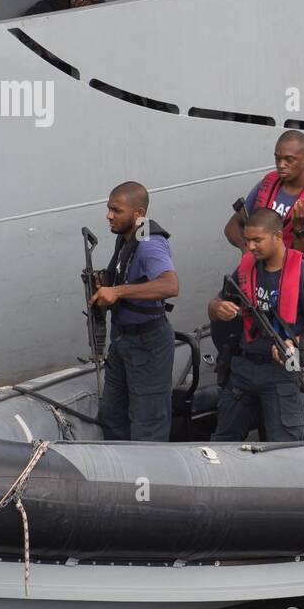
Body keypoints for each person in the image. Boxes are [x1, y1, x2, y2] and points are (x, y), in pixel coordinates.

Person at [210, 208, 304, 443]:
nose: (251, 247)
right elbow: (218, 300)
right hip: (244, 368)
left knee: (285, 446)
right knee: (223, 441)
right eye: (247, 241)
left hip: (282, 371)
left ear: (277, 236)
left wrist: (292, 343)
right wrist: (217, 308)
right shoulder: (246, 269)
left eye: (257, 240)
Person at [90, 182, 180, 441]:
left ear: (138, 213)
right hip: (123, 340)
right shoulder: (126, 237)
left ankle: (150, 477)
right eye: (108, 209)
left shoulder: (149, 242)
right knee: (112, 414)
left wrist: (117, 293)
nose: (109, 215)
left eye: (116, 210)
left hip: (148, 343)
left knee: (148, 423)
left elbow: (170, 285)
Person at [225, 130, 304, 267]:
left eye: (289, 159)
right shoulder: (266, 185)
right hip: (255, 273)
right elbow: (231, 227)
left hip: (287, 278)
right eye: (278, 158)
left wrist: (299, 228)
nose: (281, 165)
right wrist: (247, 248)